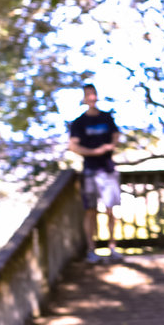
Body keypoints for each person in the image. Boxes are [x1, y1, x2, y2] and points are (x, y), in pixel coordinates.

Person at [68, 83, 122, 263]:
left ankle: (112, 248)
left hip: (108, 168)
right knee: (90, 211)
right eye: (88, 95)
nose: (91, 97)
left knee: (110, 209)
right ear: (84, 98)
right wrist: (93, 152)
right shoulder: (79, 122)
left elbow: (116, 136)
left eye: (94, 94)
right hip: (90, 170)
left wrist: (109, 147)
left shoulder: (106, 117)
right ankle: (92, 250)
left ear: (97, 96)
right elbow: (73, 146)